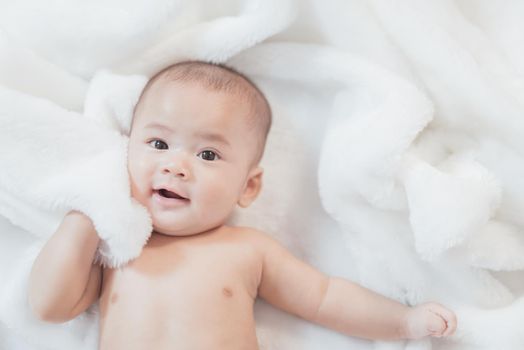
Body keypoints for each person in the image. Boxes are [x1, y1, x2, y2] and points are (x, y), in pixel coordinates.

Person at [28, 61, 457, 349]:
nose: (176, 166)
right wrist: (87, 213)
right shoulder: (116, 249)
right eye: (158, 143)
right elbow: (51, 306)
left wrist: (403, 323)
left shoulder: (246, 249)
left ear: (247, 188)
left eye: (208, 155)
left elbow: (324, 298)